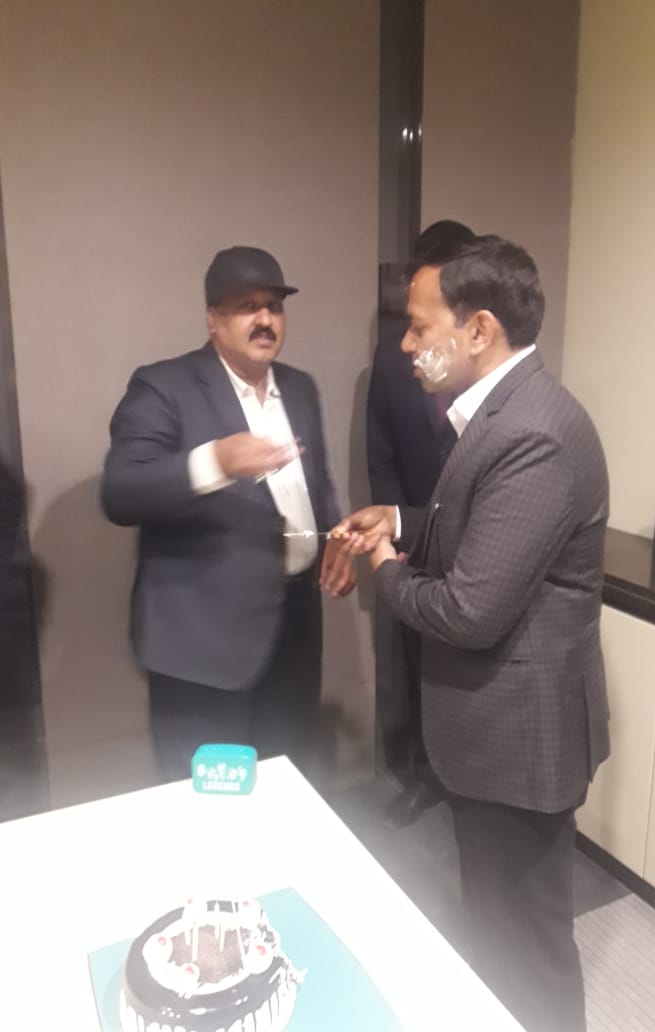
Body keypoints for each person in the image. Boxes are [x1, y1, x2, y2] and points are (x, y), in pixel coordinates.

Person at [331, 235, 609, 1032]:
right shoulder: (499, 413)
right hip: (495, 738)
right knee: (495, 932)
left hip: (519, 744)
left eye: (420, 327)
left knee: (527, 948)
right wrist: (400, 519)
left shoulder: (533, 433)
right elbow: (475, 527)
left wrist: (384, 567)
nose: (407, 346)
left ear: (478, 329)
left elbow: (468, 610)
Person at [101, 245, 354, 782]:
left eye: (274, 306)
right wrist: (215, 461)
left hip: (293, 633)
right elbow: (121, 493)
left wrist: (332, 536)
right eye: (246, 306)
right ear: (212, 319)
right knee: (210, 802)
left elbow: (316, 485)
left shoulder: (300, 388)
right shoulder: (162, 386)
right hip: (202, 648)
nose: (264, 319)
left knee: (285, 782)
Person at [367, 219, 475, 825]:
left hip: (481, 538)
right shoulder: (392, 359)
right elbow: (380, 451)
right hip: (414, 534)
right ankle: (424, 771)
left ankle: (467, 776)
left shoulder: (491, 370)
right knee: (415, 657)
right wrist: (393, 531)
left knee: (473, 658)